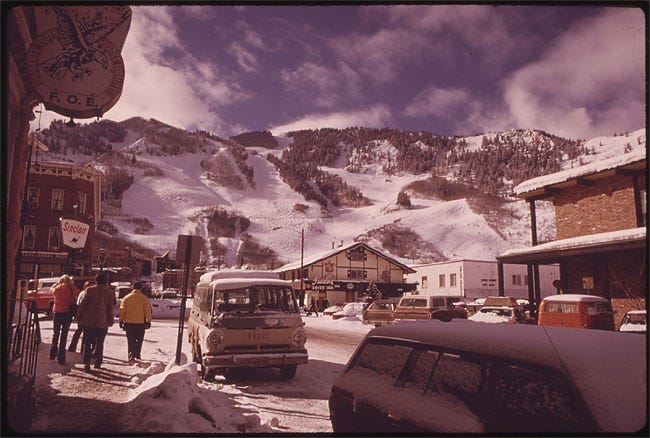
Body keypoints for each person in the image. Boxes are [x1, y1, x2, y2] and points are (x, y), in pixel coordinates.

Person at [76, 273, 114, 372]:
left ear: (96, 280)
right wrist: (110, 321)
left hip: (88, 320)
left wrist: (78, 317)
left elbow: (83, 305)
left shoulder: (89, 290)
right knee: (100, 343)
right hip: (102, 321)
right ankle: (98, 362)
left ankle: (87, 363)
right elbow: (110, 309)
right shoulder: (109, 292)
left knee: (87, 342)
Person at [119, 281, 152, 365]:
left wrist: (121, 320)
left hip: (129, 323)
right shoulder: (144, 298)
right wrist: (149, 320)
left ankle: (131, 355)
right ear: (140, 288)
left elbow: (122, 310)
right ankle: (137, 354)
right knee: (139, 340)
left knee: (130, 340)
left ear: (133, 288)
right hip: (141, 323)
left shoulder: (126, 298)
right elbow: (147, 310)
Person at [49, 274, 79, 364]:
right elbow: (78, 292)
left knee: (56, 334)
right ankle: (61, 358)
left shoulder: (56, 289)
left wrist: (57, 283)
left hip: (57, 313)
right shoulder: (71, 288)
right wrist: (71, 285)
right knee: (64, 335)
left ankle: (52, 354)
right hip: (67, 314)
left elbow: (51, 288)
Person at [68, 280, 94, 353]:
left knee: (79, 331)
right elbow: (79, 305)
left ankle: (73, 347)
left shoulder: (82, 293)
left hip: (82, 315)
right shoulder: (84, 293)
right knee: (84, 332)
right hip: (85, 315)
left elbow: (78, 304)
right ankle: (82, 349)